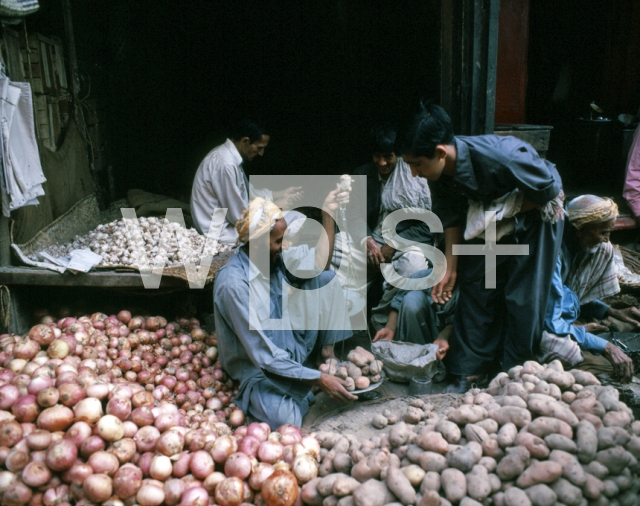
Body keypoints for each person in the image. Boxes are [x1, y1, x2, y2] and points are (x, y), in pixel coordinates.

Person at [397, 102, 565, 393]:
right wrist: (451, 267)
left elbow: (549, 188)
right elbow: (450, 217)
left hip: (533, 217)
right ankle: (470, 371)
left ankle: (513, 372)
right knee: (476, 288)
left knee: (522, 297)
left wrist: (505, 211)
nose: (413, 173)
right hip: (482, 222)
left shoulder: (502, 156)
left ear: (440, 152)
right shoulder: (436, 174)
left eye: (416, 165)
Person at [213, 190, 357, 429]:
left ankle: (317, 364)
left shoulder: (272, 258)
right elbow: (263, 355)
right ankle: (308, 383)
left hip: (287, 346)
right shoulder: (234, 285)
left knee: (324, 279)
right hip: (258, 367)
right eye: (279, 241)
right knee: (287, 420)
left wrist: (327, 214)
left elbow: (320, 263)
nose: (285, 246)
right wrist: (318, 379)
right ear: (258, 243)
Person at [337, 125, 434, 319]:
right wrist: (367, 241)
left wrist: (395, 244)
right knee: (336, 246)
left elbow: (427, 226)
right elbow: (354, 215)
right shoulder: (362, 174)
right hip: (373, 241)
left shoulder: (414, 177)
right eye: (376, 156)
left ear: (397, 155)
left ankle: (383, 319)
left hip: (403, 244)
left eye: (387, 156)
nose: (381, 162)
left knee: (414, 265)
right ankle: (340, 311)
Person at [543, 195, 636, 382]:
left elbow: (570, 293)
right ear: (580, 230)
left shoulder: (580, 247)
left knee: (605, 249)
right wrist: (606, 347)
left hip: (558, 316)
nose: (606, 239)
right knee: (569, 352)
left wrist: (610, 311)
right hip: (541, 324)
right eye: (602, 232)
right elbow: (550, 322)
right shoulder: (553, 256)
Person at [190, 116, 302, 245]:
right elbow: (239, 216)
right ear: (245, 141)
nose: (261, 153)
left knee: (294, 219)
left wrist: (281, 194)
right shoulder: (225, 163)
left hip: (231, 225)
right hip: (222, 232)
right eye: (259, 147)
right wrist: (275, 208)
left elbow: (248, 193)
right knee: (293, 222)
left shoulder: (230, 158)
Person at [372, 268, 456, 361]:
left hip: (451, 341)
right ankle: (414, 358)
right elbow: (398, 301)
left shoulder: (467, 288)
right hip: (421, 335)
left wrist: (444, 336)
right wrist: (390, 328)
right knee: (412, 299)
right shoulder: (424, 276)